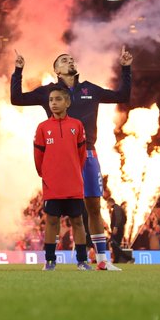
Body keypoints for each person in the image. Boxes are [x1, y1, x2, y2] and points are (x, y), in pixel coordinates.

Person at [11, 46, 132, 270]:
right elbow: (16, 99)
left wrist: (126, 68)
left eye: (72, 59)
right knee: (58, 214)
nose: (70, 61)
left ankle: (103, 260)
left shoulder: (90, 89)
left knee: (93, 206)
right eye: (64, 60)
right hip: (60, 158)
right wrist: (18, 71)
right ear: (56, 70)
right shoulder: (48, 92)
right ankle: (52, 260)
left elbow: (122, 96)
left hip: (87, 152)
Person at [33, 86, 90, 271]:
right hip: (53, 184)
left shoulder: (77, 125)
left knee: (78, 221)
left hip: (73, 183)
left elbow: (81, 154)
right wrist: (47, 174)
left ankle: (82, 261)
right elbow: (38, 157)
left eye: (58, 99)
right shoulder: (42, 127)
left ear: (67, 102)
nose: (54, 103)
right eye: (51, 100)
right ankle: (50, 260)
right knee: (52, 221)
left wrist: (73, 171)